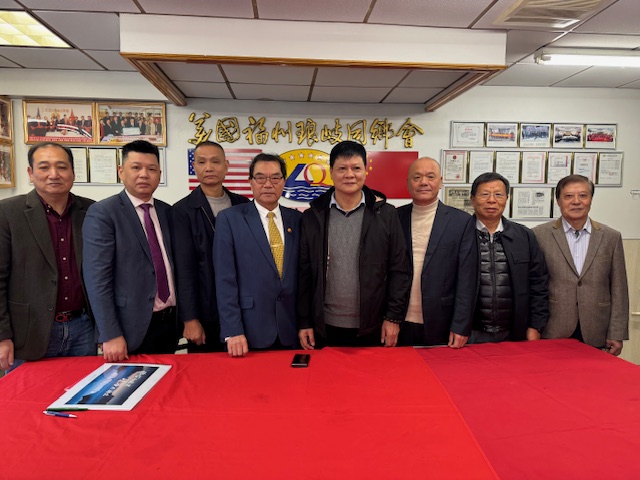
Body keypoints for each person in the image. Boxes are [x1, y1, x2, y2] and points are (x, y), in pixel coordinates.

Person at [297, 140, 409, 349]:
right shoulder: (313, 216)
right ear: (331, 172)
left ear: (365, 171)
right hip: (324, 326)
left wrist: (393, 318)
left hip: (373, 326)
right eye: (342, 168)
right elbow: (304, 274)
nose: (349, 174)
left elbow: (399, 269)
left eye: (356, 168)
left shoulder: (386, 214)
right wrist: (304, 322)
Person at [0, 142, 95, 371]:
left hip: (83, 328)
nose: (54, 174)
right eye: (44, 167)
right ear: (31, 173)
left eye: (62, 167)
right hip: (28, 332)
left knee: (83, 390)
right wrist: (2, 335)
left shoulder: (92, 211)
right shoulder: (7, 212)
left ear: (73, 172)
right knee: (31, 393)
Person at [83, 140, 177, 362]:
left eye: (151, 169)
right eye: (136, 167)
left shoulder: (168, 212)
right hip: (128, 327)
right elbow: (97, 280)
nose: (144, 174)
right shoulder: (103, 213)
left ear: (159, 174)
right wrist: (110, 333)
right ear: (121, 172)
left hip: (169, 323)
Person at [213, 153, 301, 357]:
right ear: (250, 182)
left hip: (291, 329)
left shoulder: (297, 219)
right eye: (260, 178)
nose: (268, 184)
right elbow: (225, 280)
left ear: (284, 181)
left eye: (275, 178)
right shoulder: (230, 219)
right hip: (248, 330)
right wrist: (233, 330)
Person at [533, 175, 629, 355]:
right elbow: (533, 286)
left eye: (583, 195)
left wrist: (617, 333)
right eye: (569, 196)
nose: (576, 201)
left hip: (597, 329)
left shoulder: (611, 237)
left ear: (591, 199)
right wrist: (533, 327)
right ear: (558, 201)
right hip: (553, 328)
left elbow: (619, 289)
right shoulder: (539, 235)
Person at [172, 141, 249, 352]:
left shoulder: (243, 205)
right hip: (205, 312)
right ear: (194, 167)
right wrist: (190, 319)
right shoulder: (182, 210)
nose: (209, 167)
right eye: (202, 162)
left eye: (215, 162)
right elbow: (184, 270)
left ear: (226, 166)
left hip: (243, 307)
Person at [397, 157, 477, 347]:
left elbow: (467, 279)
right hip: (399, 321)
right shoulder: (395, 217)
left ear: (440, 182)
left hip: (442, 322)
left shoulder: (461, 222)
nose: (423, 182)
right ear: (408, 183)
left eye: (430, 177)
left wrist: (461, 325)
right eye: (417, 177)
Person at [469, 172, 549, 343]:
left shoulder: (524, 236)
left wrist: (536, 326)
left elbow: (538, 283)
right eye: (485, 194)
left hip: (515, 331)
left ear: (507, 199)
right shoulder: (460, 234)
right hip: (470, 332)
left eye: (498, 194)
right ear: (472, 199)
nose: (492, 200)